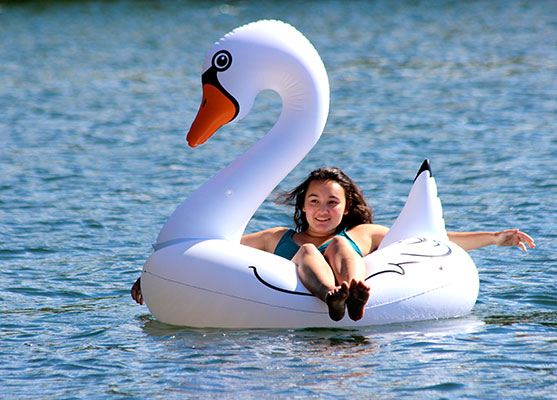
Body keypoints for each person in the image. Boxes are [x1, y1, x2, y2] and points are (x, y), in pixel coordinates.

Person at [131, 167, 535, 322]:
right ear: (302, 207)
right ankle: (333, 298)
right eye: (314, 202)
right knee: (309, 251)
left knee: (340, 248)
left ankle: (354, 292)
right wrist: (154, 275)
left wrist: (496, 238)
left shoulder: (361, 233)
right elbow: (207, 251)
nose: (322, 210)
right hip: (314, 282)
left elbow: (432, 239)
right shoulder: (280, 239)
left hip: (348, 266)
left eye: (332, 202)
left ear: (346, 207)